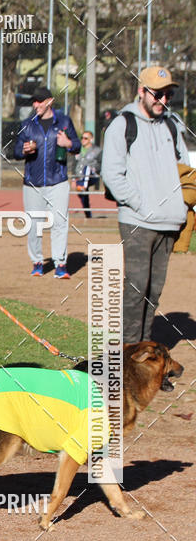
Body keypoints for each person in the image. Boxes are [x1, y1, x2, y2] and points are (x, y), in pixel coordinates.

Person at [101, 65, 189, 343]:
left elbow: (185, 169)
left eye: (168, 94)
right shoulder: (122, 125)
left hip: (169, 222)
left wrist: (180, 206)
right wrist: (141, 204)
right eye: (157, 94)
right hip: (138, 221)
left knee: (154, 290)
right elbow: (111, 174)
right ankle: (129, 352)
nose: (162, 100)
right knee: (136, 287)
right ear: (141, 91)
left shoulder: (172, 125)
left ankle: (144, 347)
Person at [13, 86, 80, 279]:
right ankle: (37, 261)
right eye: (34, 101)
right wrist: (24, 149)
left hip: (57, 180)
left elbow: (76, 146)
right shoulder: (27, 124)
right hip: (33, 183)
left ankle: (60, 264)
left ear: (49, 101)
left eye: (40, 101)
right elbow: (16, 151)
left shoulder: (64, 121)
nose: (36, 105)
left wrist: (68, 144)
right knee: (34, 224)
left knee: (60, 222)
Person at [71, 131, 102, 218]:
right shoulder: (78, 150)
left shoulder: (97, 150)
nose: (83, 140)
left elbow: (101, 163)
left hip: (92, 175)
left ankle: (83, 185)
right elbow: (74, 165)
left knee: (87, 168)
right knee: (83, 196)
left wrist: (95, 168)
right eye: (82, 138)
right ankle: (88, 215)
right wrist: (73, 179)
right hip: (80, 177)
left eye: (86, 138)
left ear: (91, 139)